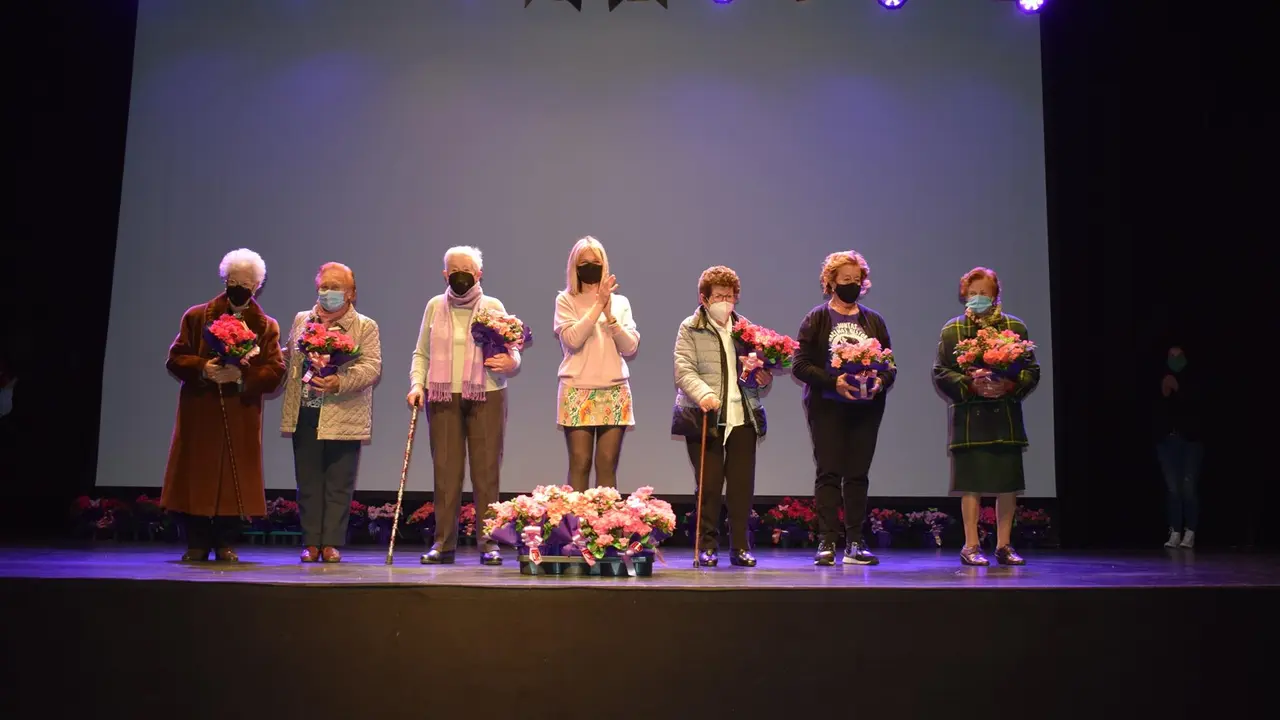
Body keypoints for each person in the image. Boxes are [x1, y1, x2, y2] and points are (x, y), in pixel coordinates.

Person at [161, 248, 286, 562]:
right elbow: (175, 359)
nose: (237, 286)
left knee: (234, 477)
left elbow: (275, 371)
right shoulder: (196, 316)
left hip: (240, 413)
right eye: (232, 279)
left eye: (244, 281)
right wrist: (204, 368)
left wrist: (241, 376)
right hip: (200, 412)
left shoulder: (266, 326)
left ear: (257, 285)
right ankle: (196, 541)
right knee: (196, 474)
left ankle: (226, 542)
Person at [408, 246, 520, 565]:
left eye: (466, 270)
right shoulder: (434, 307)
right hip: (442, 396)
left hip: (487, 394)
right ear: (445, 274)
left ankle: (490, 543)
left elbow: (513, 350)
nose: (460, 276)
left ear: (479, 274)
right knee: (446, 472)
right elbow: (421, 354)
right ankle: (443, 543)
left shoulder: (492, 306)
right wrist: (417, 384)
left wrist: (510, 362)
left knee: (486, 472)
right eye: (453, 270)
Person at [931, 266, 1040, 566]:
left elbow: (1032, 369)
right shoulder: (952, 329)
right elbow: (941, 372)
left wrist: (1011, 384)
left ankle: (1004, 545)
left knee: (1008, 483)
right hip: (970, 417)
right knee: (972, 482)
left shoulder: (1014, 327)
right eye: (973, 293)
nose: (979, 298)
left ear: (995, 295)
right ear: (964, 294)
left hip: (1005, 415)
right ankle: (971, 545)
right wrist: (970, 384)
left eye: (985, 293)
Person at [792, 251, 896, 566]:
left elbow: (889, 365)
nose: (851, 285)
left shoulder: (873, 320)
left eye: (856, 280)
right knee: (829, 472)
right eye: (845, 279)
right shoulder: (817, 318)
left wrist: (881, 382)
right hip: (827, 408)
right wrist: (832, 382)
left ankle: (855, 543)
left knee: (857, 474)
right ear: (831, 282)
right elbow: (800, 365)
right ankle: (827, 542)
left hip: (865, 409)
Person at [280, 262, 383, 563]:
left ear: (351, 293)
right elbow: (290, 359)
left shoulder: (365, 326)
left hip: (344, 413)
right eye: (324, 286)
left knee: (339, 482)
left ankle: (331, 544)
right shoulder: (303, 320)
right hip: (305, 411)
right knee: (308, 482)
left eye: (336, 287)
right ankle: (311, 542)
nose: (328, 292)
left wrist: (339, 381)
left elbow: (371, 368)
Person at [672, 266, 770, 568]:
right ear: (704, 298)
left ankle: (740, 546)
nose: (724, 302)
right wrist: (702, 394)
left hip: (742, 416)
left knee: (741, 487)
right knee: (710, 486)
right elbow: (683, 368)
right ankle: (708, 546)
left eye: (729, 296)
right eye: (718, 296)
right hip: (705, 417)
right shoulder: (690, 327)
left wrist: (763, 376)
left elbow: (759, 376)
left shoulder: (747, 330)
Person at [554, 236, 640, 491]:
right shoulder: (566, 300)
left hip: (614, 391)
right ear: (574, 266)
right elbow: (572, 340)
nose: (590, 266)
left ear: (604, 265)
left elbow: (630, 347)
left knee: (607, 463)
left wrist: (610, 314)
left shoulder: (621, 302)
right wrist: (597, 306)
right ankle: (575, 528)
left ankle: (605, 529)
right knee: (580, 463)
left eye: (595, 262)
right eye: (584, 262)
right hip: (577, 388)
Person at [1154, 341, 1203, 549]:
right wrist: (1164, 395)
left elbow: (1197, 407)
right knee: (1173, 488)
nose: (1174, 360)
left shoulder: (1195, 380)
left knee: (1188, 487)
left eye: (1178, 355)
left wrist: (1179, 389)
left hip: (1191, 440)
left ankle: (1190, 531)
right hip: (1167, 440)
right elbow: (1154, 411)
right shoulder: (1161, 378)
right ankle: (1174, 530)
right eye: (1170, 356)